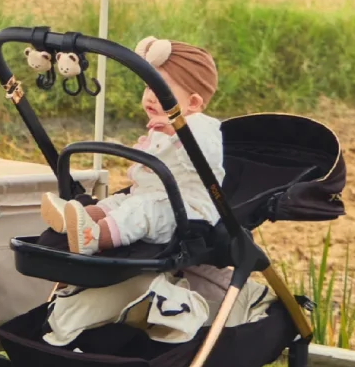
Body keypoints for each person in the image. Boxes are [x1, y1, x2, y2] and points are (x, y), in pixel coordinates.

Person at [40, 36, 223, 255]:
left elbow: (205, 156)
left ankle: (94, 237)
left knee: (137, 211)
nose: (150, 97)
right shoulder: (162, 127)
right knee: (115, 204)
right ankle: (77, 217)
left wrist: (177, 131)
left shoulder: (200, 126)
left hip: (185, 213)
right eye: (148, 88)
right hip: (151, 197)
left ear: (193, 103)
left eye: (161, 91)